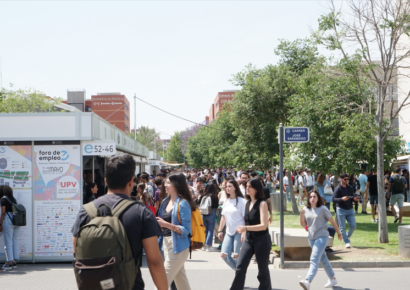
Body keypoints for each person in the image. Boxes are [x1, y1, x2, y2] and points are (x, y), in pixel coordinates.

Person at [72, 154, 167, 290]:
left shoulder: (85, 211)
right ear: (130, 182)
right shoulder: (141, 212)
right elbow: (155, 261)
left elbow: (76, 249)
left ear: (105, 181)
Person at [156, 173, 196, 290]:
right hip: (166, 243)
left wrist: (166, 224)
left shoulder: (183, 203)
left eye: (168, 182)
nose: (165, 185)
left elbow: (186, 230)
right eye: (165, 182)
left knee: (162, 279)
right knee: (181, 280)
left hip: (178, 246)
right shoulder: (165, 201)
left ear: (176, 185)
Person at [230, 178, 271, 290]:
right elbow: (246, 219)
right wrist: (244, 232)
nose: (247, 188)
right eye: (246, 186)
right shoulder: (247, 202)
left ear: (257, 189)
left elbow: (264, 225)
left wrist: (246, 228)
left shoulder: (262, 203)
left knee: (262, 269)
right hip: (249, 239)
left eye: (250, 186)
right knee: (240, 267)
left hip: (262, 239)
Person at [299, 190, 343, 290]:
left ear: (318, 198)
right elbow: (304, 225)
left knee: (314, 259)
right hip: (311, 238)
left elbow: (333, 222)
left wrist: (339, 234)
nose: (312, 199)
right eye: (310, 197)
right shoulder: (306, 209)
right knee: (323, 259)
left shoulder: (323, 209)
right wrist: (301, 217)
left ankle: (307, 281)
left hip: (322, 237)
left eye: (314, 197)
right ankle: (332, 278)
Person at [217, 179, 246, 270]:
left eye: (230, 186)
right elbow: (223, 217)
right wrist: (220, 230)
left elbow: (246, 218)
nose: (227, 188)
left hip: (239, 231)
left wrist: (244, 232)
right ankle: (238, 272)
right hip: (229, 232)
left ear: (235, 188)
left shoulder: (242, 201)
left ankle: (239, 278)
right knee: (224, 254)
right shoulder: (226, 201)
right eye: (226, 187)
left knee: (237, 255)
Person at [332, 173, 359, 248]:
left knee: (353, 225)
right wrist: (341, 199)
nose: (347, 180)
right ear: (341, 179)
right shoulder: (338, 188)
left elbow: (352, 198)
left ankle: (346, 236)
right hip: (341, 209)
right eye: (345, 179)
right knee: (342, 227)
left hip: (350, 209)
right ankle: (347, 242)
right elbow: (333, 199)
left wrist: (355, 199)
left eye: (347, 179)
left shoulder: (350, 187)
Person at [0, 185, 20, 271]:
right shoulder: (14, 199)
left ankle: (9, 263)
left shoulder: (3, 199)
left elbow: (3, 212)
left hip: (8, 220)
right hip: (17, 221)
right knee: (14, 240)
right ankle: (14, 261)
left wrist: (0, 223)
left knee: (8, 241)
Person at [198, 181, 219, 251]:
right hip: (211, 213)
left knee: (205, 230)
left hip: (203, 213)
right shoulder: (214, 195)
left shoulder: (203, 195)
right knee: (210, 230)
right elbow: (216, 206)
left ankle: (203, 245)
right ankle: (209, 245)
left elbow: (198, 203)